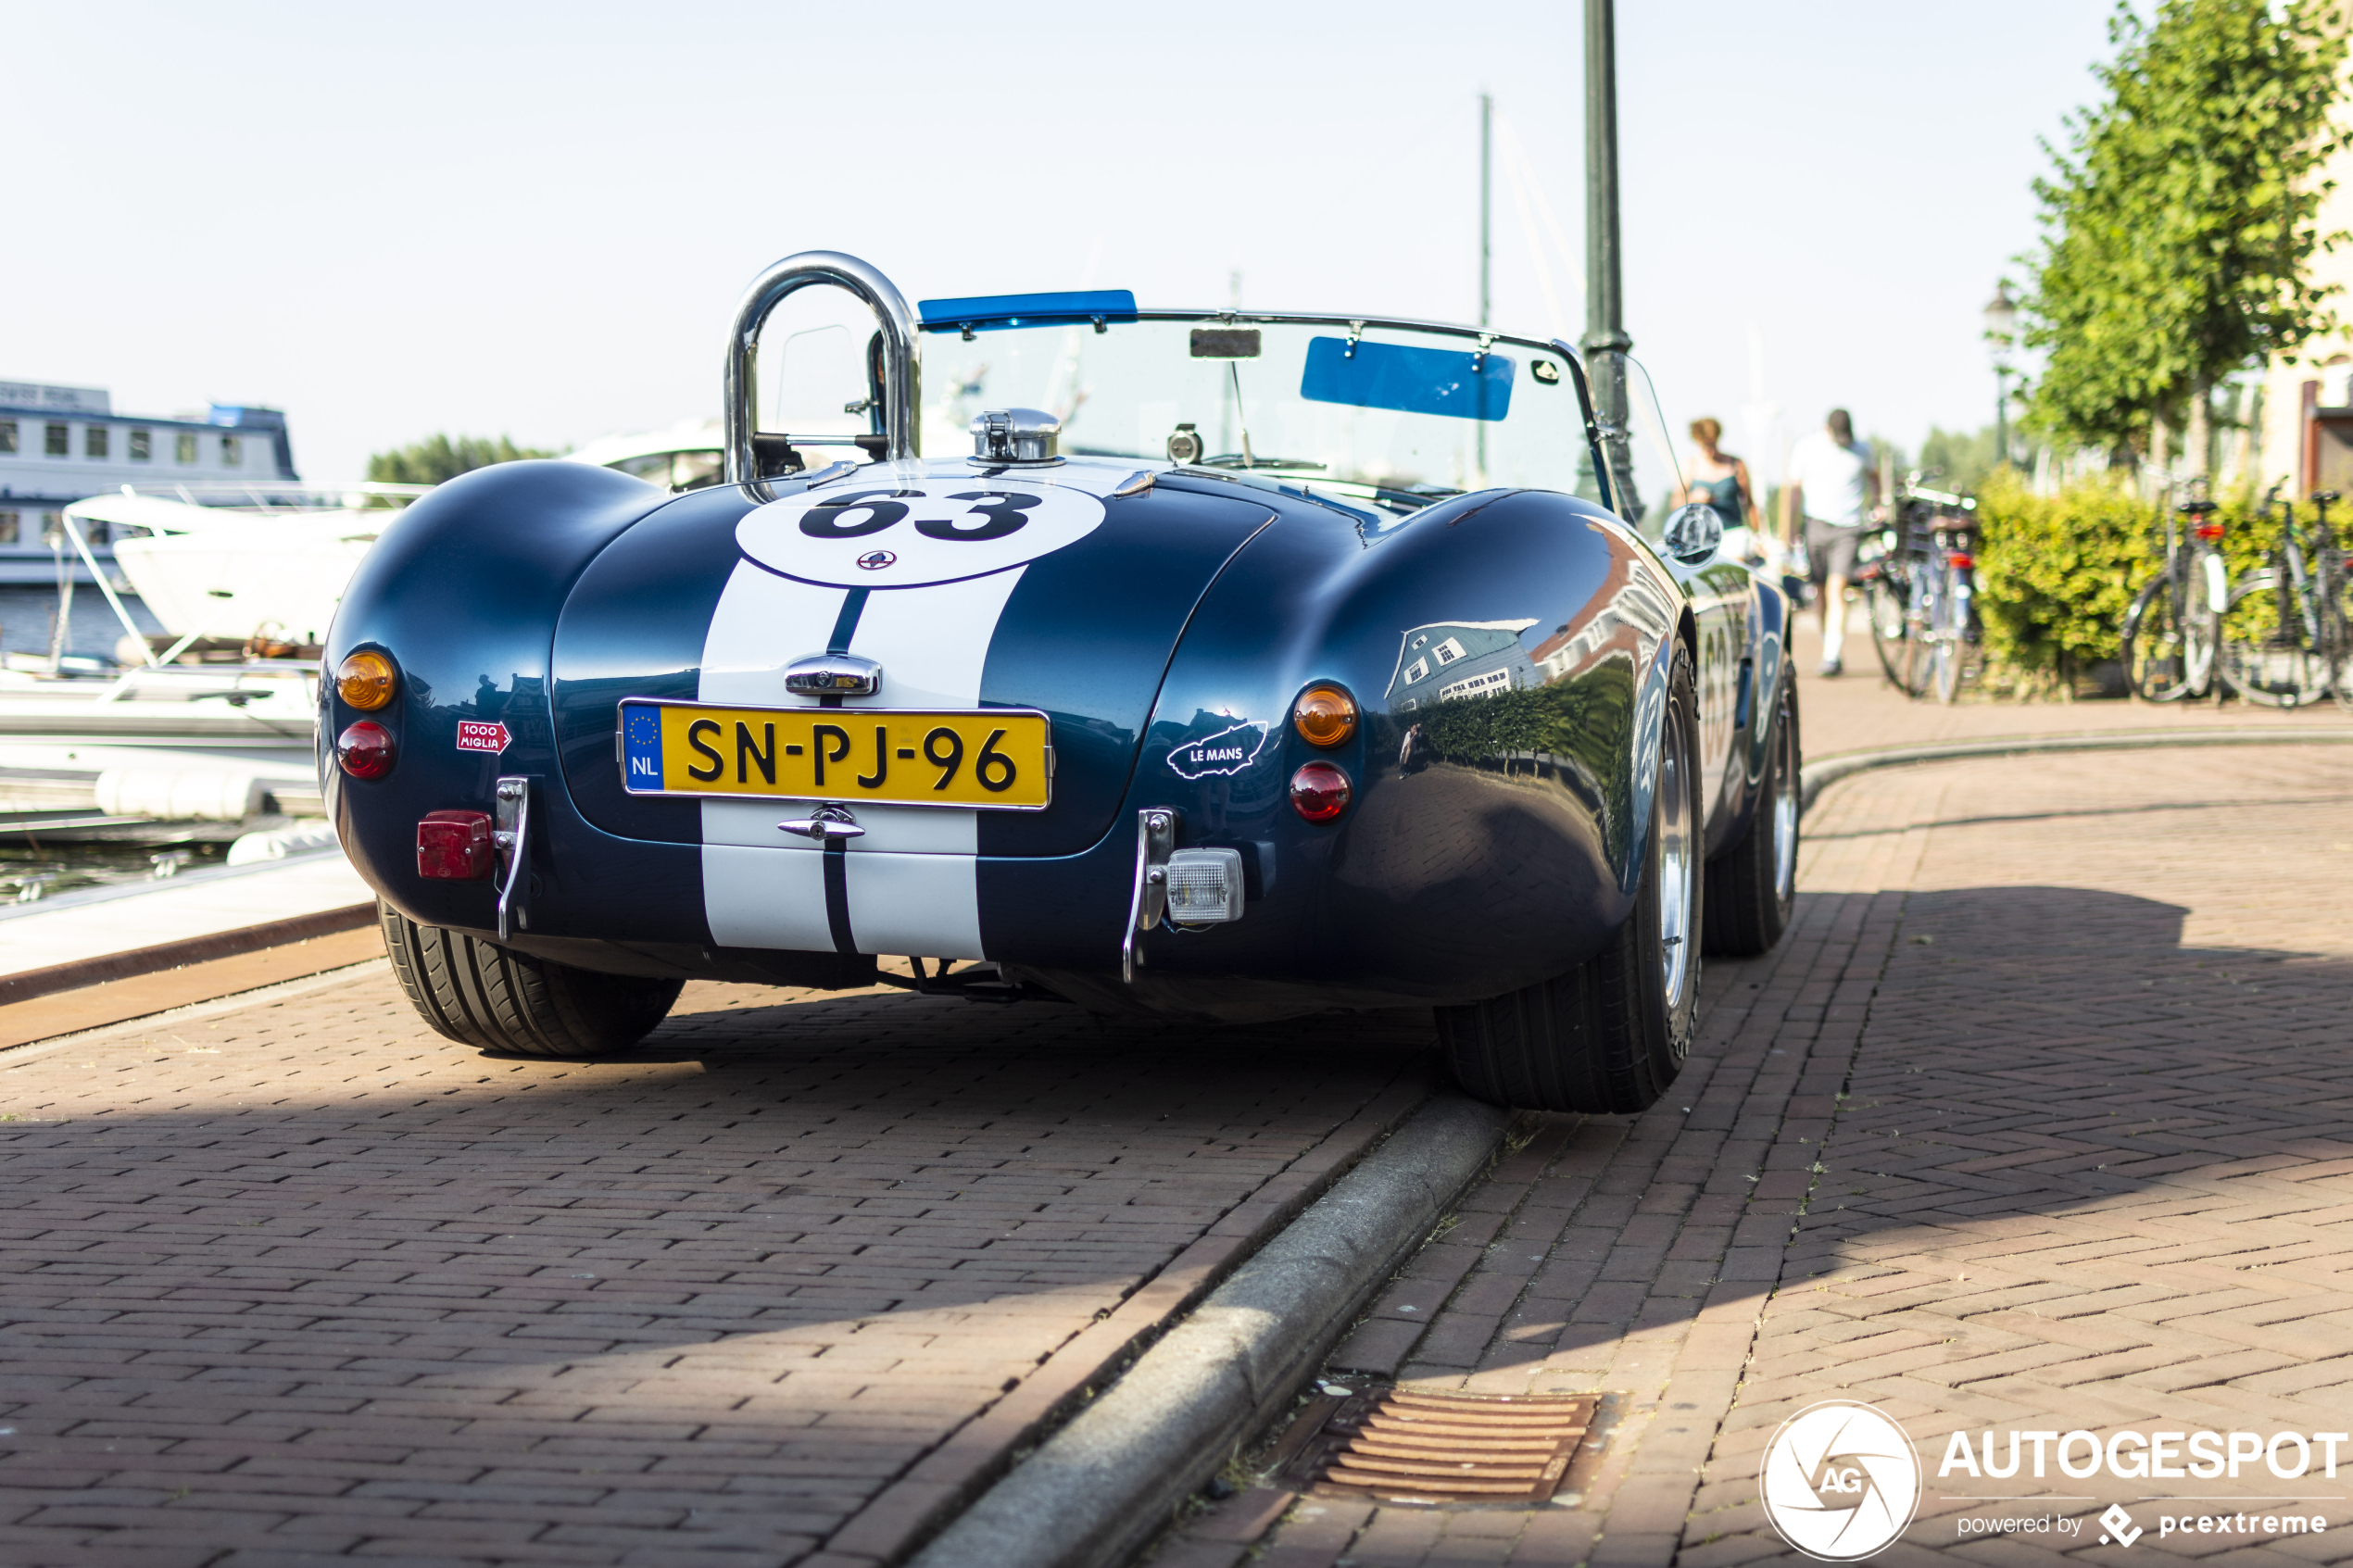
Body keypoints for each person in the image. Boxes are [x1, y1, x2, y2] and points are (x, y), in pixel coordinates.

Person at [1780, 408, 1878, 676]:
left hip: (1848, 528)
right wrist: (1790, 530)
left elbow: (1874, 477)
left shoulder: (1862, 450)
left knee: (1838, 586)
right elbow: (1795, 490)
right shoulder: (1806, 448)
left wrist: (1878, 505)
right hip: (1815, 525)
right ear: (1826, 430)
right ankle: (1829, 647)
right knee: (1820, 591)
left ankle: (1832, 655)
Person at [1673, 418, 1764, 555]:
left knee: (1735, 562)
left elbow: (1750, 504)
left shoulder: (1736, 465)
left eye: (1712, 444)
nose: (1710, 450)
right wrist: (1692, 499)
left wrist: (1757, 537)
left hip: (1734, 533)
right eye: (1705, 446)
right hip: (1701, 539)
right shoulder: (1689, 466)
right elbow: (1675, 504)